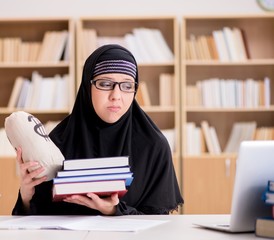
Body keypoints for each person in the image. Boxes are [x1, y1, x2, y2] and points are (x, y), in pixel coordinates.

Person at [12, 44, 183, 215]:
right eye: (105, 83)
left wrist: (114, 210)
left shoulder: (153, 146)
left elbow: (159, 225)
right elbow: (36, 222)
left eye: (127, 86)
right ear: (88, 86)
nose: (116, 95)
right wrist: (27, 195)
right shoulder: (58, 141)